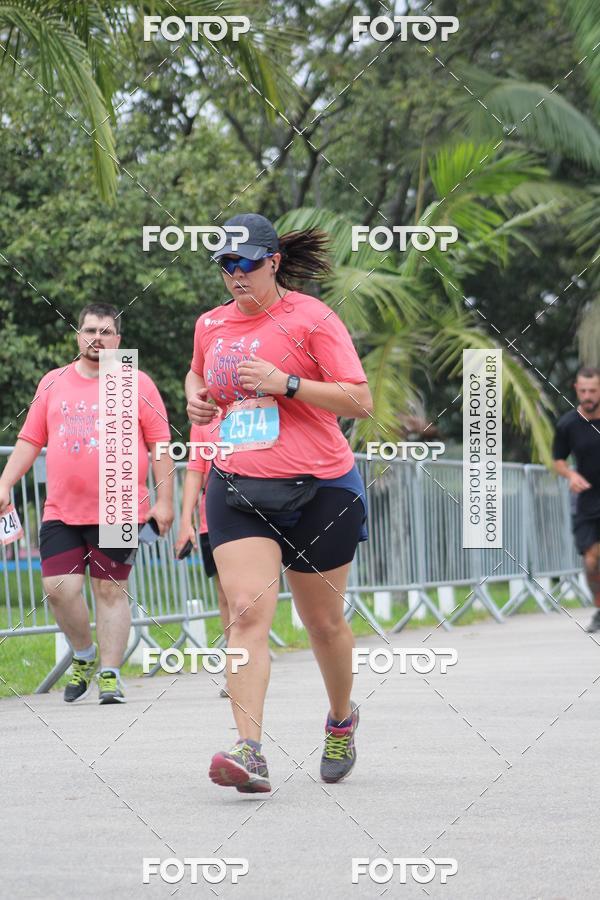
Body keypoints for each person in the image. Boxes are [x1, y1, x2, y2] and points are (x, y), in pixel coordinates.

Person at [185, 213, 372, 793]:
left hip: (321, 489)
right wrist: (196, 402)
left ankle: (341, 718)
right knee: (244, 613)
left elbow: (359, 400)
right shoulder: (210, 324)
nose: (233, 274)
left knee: (322, 621)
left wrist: (284, 383)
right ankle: (250, 750)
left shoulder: (312, 319)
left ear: (273, 262)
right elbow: (198, 379)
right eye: (224, 264)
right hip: (239, 486)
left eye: (244, 263)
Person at [0, 303, 174, 703]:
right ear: (78, 335)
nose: (98, 338)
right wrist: (6, 482)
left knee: (110, 590)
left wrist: (164, 501)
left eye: (107, 332)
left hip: (120, 504)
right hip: (62, 508)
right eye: (90, 330)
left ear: (119, 340)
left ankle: (110, 674)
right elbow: (30, 441)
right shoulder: (53, 382)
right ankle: (84, 654)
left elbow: (161, 446)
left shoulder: (136, 383)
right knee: (59, 588)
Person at [174, 421, 231, 697]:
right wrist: (186, 522)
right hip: (213, 518)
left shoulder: (258, 406)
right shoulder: (203, 420)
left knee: (246, 597)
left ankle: (248, 661)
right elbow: (195, 471)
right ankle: (237, 665)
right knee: (225, 596)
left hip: (255, 515)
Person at [553, 366, 600, 632]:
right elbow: (558, 460)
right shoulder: (568, 424)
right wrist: (569, 474)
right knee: (591, 560)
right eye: (582, 390)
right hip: (587, 501)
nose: (587, 396)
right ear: (575, 389)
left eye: (592, 390)